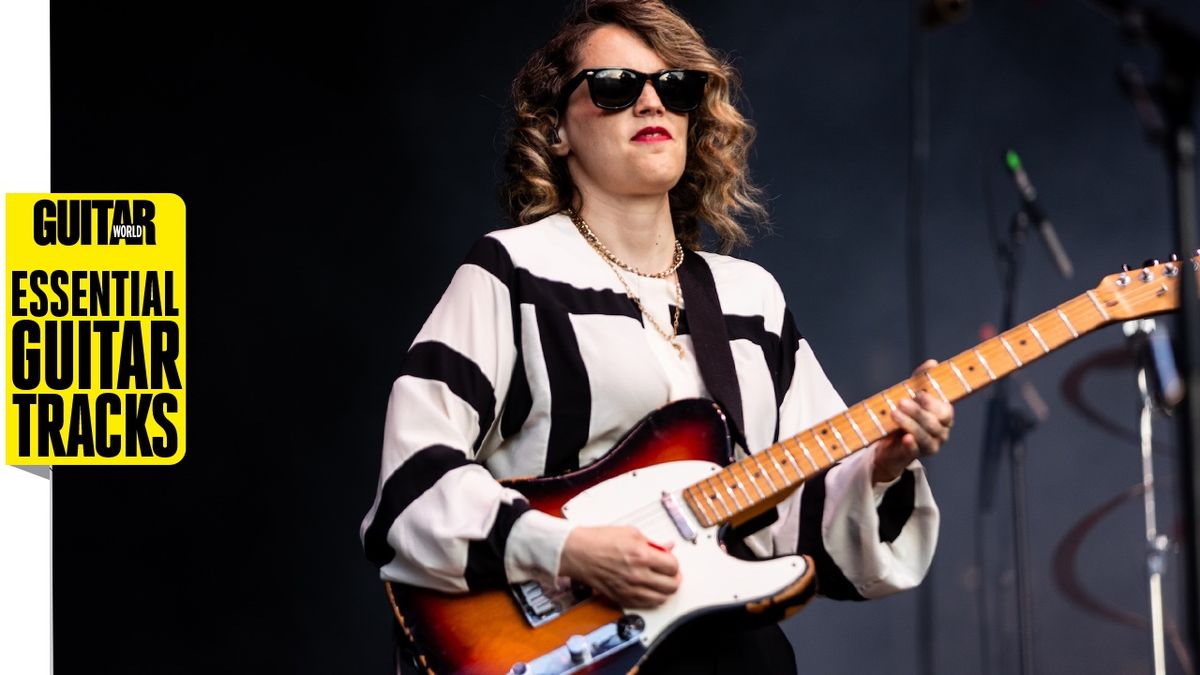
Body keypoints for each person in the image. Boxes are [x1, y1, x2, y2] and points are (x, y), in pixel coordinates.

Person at [361, 1, 953, 672]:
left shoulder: (749, 298)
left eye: (675, 87)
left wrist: (881, 465)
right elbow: (412, 484)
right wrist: (565, 548)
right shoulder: (512, 270)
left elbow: (790, 525)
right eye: (616, 87)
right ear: (555, 128)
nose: (652, 103)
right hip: (562, 649)